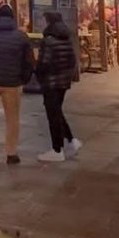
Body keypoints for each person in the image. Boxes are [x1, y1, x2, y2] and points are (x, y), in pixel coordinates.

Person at [0, 3, 35, 164]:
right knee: (12, 118)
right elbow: (29, 62)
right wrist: (22, 79)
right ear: (12, 18)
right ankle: (11, 153)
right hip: (13, 83)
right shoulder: (21, 36)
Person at [35, 11, 82, 163]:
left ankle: (57, 149)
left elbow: (44, 63)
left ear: (49, 22)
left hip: (51, 82)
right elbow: (72, 61)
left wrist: (39, 76)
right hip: (62, 82)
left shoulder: (48, 41)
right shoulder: (66, 39)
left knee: (53, 116)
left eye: (43, 19)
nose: (41, 22)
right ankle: (71, 140)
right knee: (57, 112)